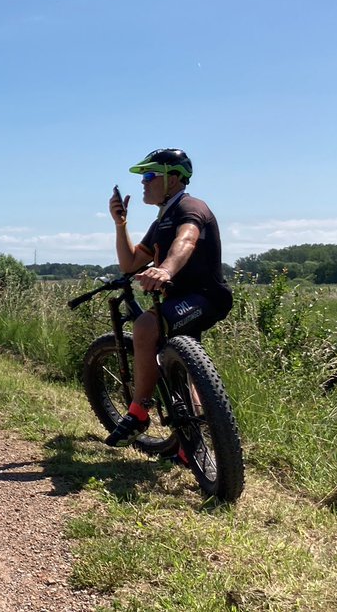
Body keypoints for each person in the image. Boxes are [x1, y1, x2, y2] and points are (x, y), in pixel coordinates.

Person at [105, 148, 233, 452]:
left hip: (204, 297)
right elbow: (130, 263)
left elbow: (186, 239)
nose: (143, 182)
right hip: (179, 302)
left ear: (173, 179)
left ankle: (138, 413)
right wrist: (120, 225)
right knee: (183, 370)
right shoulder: (161, 222)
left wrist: (165, 270)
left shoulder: (190, 207)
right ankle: (191, 445)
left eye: (150, 175)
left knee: (145, 326)